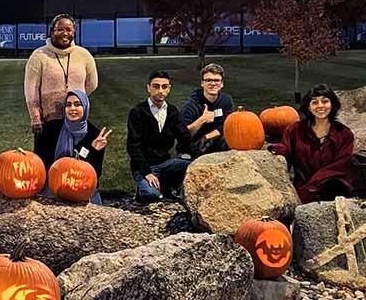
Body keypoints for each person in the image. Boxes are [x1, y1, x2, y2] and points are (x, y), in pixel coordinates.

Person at [269, 84, 354, 204]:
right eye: (314, 102)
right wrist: (276, 150)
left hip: (333, 186)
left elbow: (340, 165)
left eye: (325, 101)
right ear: (308, 107)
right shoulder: (294, 130)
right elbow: (286, 151)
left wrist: (314, 183)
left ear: (332, 104)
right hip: (304, 185)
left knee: (333, 188)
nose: (320, 106)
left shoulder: (344, 133)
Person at [24, 13, 98, 144]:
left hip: (76, 120)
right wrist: (35, 116)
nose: (65, 33)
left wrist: (75, 100)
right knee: (47, 161)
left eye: (69, 30)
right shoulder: (39, 56)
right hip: (48, 121)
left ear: (74, 32)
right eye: (60, 29)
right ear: (52, 31)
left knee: (77, 160)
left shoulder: (84, 55)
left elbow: (92, 83)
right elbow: (31, 90)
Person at [127, 69, 197, 203]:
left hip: (166, 163)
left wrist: (201, 159)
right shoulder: (137, 112)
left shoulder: (172, 111)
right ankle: (146, 190)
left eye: (164, 87)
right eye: (156, 86)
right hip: (144, 167)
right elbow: (133, 147)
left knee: (193, 166)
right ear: (148, 87)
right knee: (151, 195)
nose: (160, 90)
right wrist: (147, 173)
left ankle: (166, 186)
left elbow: (185, 139)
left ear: (169, 89)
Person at [35, 90, 112, 204]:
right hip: (53, 183)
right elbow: (40, 163)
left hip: (80, 185)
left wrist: (94, 150)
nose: (72, 109)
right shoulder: (51, 129)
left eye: (77, 104)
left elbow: (95, 173)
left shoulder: (95, 135)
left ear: (85, 107)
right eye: (68, 105)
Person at [179, 63, 234, 156]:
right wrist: (202, 119)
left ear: (222, 84)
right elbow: (183, 136)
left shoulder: (226, 100)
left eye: (216, 80)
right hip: (194, 146)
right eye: (208, 80)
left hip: (215, 142)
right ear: (202, 83)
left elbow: (228, 125)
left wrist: (207, 137)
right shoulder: (191, 105)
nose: (213, 84)